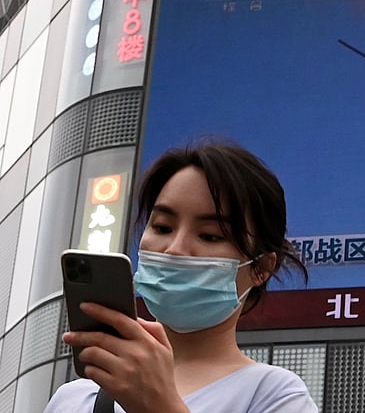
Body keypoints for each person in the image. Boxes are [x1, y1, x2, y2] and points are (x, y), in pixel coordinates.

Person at [45, 140, 319, 413]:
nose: (175, 248)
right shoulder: (72, 400)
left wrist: (159, 406)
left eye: (210, 235)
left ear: (261, 268)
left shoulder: (276, 396)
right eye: (163, 227)